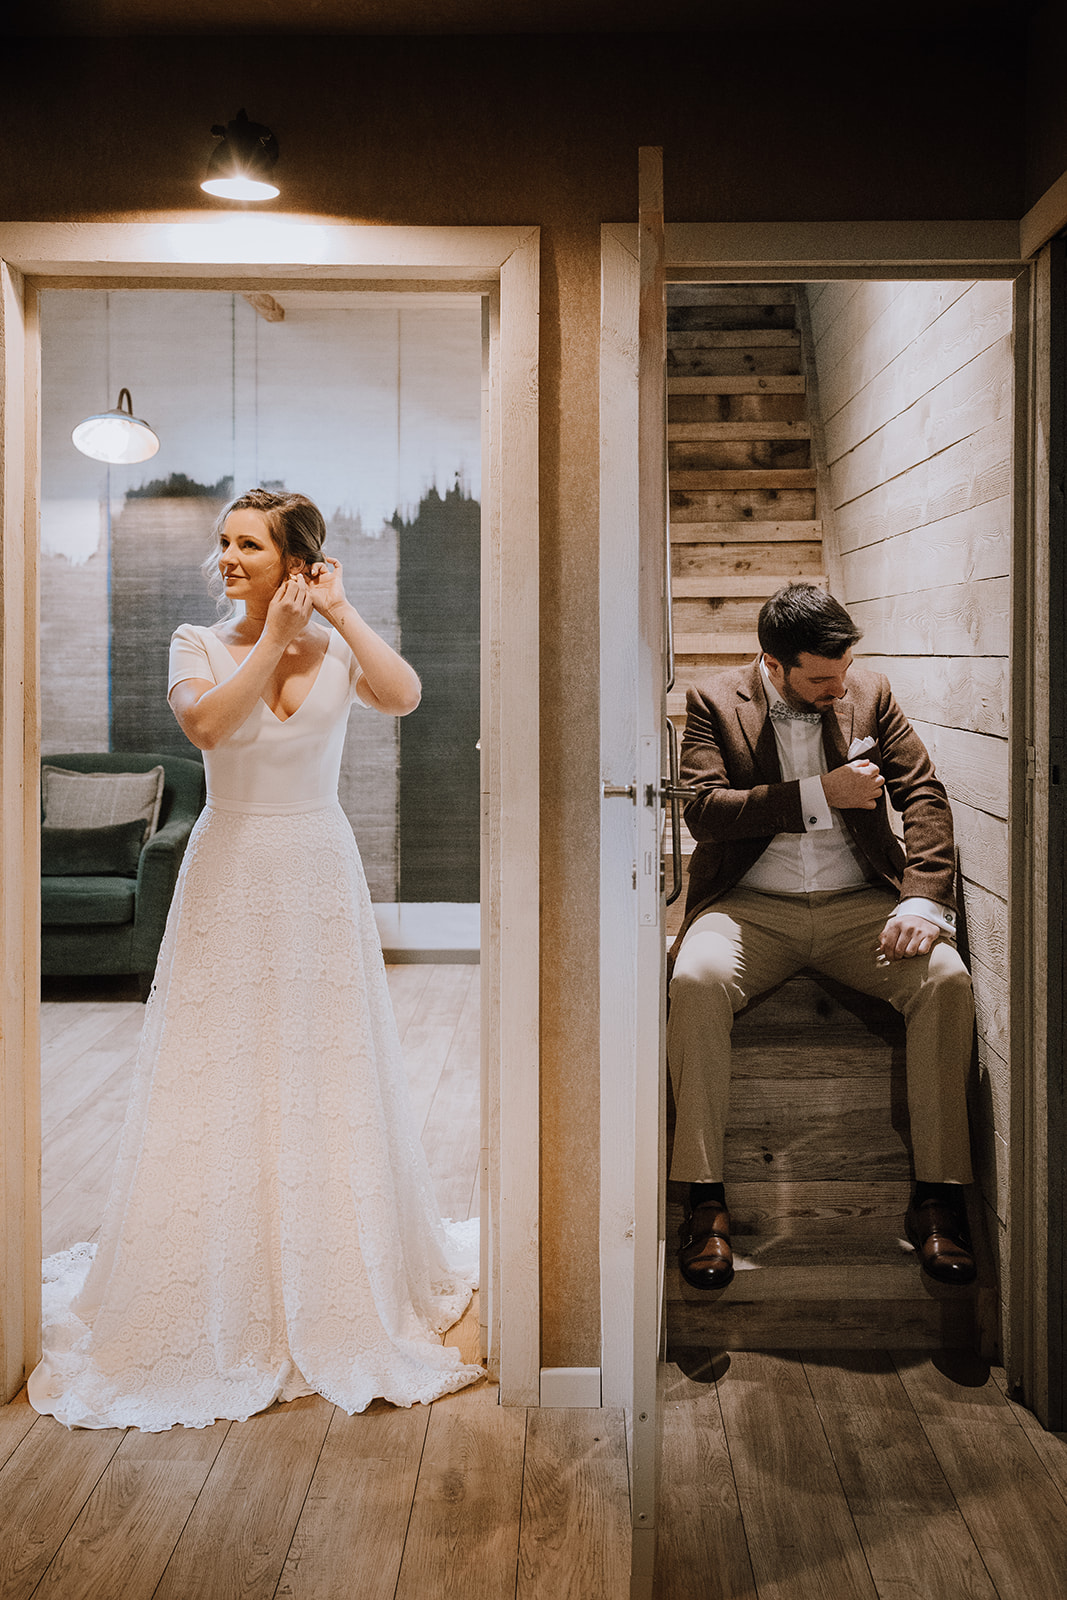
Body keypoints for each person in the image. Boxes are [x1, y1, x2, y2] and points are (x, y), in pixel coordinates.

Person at [29, 488, 482, 1430]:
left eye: (247, 544)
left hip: (317, 866)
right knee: (220, 1065)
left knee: (326, 1061)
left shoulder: (334, 646)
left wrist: (340, 611)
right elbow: (207, 729)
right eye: (223, 542)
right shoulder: (195, 642)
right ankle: (220, 1264)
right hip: (230, 868)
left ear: (294, 561)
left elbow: (404, 695)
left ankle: (330, 1258)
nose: (226, 557)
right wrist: (273, 637)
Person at [668, 581, 977, 1293]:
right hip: (750, 905)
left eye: (841, 673)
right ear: (772, 664)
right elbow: (706, 814)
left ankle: (938, 1197)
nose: (837, 689)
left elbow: (923, 796)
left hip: (856, 904)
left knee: (946, 980)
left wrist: (922, 900)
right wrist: (817, 796)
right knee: (693, 980)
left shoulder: (869, 692)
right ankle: (704, 1201)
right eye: (818, 677)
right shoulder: (714, 701)